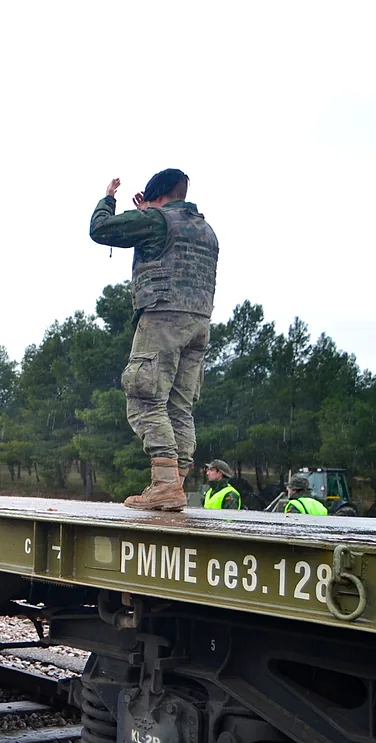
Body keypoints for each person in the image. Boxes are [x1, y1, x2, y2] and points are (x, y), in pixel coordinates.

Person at [90, 168, 219, 512]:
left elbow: (101, 230)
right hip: (199, 322)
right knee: (180, 405)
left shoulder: (158, 220)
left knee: (145, 396)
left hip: (163, 315)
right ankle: (174, 482)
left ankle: (163, 485)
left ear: (157, 195)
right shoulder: (206, 230)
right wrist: (148, 212)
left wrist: (109, 200)